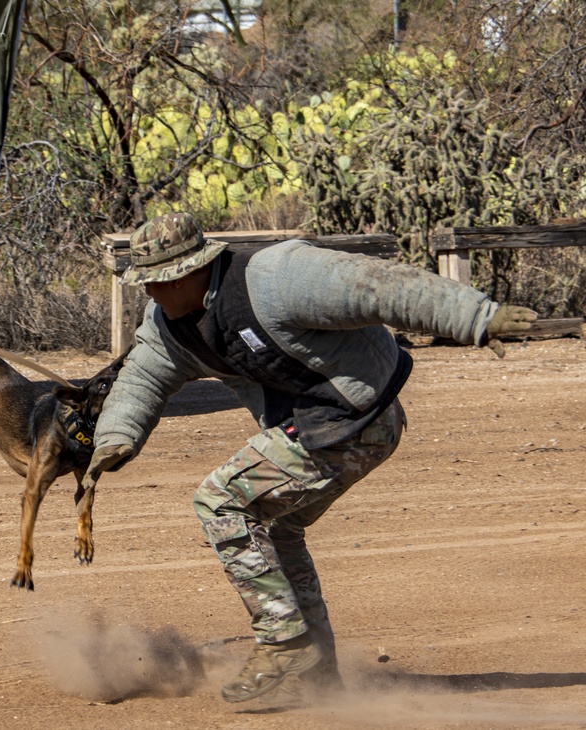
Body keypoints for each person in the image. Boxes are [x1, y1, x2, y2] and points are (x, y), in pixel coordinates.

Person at [83, 211, 537, 707]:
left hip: (356, 419)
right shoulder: (169, 325)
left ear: (188, 271)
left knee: (220, 500)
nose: (148, 292)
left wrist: (476, 317)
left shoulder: (277, 277)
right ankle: (318, 674)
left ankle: (282, 641)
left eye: (154, 281)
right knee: (277, 529)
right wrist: (116, 437)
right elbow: (143, 377)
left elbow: (382, 287)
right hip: (320, 427)